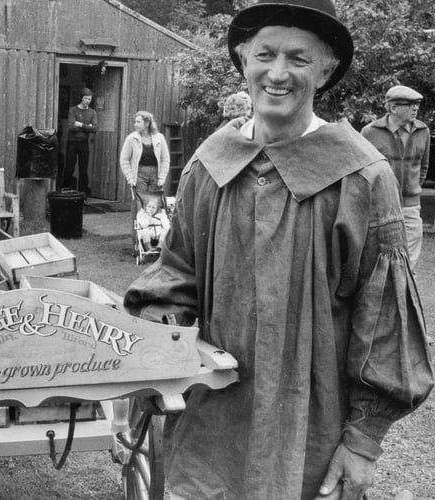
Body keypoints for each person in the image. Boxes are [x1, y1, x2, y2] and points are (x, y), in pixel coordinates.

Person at [123, 1, 434, 499]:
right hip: (210, 428)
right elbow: (175, 276)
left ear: (327, 69)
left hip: (310, 433)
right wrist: (159, 353)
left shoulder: (361, 177)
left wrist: (363, 441)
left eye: (299, 58)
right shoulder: (209, 166)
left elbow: (384, 325)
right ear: (244, 59)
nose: (278, 73)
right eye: (265, 54)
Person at [361, 85, 430, 269]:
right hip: (381, 208)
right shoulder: (369, 132)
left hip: (411, 208)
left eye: (417, 104)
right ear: (392, 108)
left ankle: (408, 297)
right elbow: (362, 170)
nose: (416, 108)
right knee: (381, 261)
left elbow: (423, 166)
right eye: (410, 104)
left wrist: (412, 190)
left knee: (410, 263)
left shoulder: (423, 131)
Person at [119, 110, 171, 198]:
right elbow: (124, 160)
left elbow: (165, 159)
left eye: (138, 122)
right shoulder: (131, 138)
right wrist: (130, 178)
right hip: (139, 174)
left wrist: (162, 178)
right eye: (135, 122)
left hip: (155, 175)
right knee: (140, 204)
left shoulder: (160, 138)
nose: (135, 124)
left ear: (147, 124)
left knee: (153, 205)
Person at [62, 87, 97, 196]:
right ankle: (65, 190)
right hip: (72, 142)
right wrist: (87, 127)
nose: (88, 101)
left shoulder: (92, 112)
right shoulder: (73, 110)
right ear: (81, 98)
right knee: (70, 167)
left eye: (90, 99)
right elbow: (71, 127)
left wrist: (80, 124)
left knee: (83, 169)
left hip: (84, 143)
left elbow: (95, 129)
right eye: (86, 98)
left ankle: (83, 194)